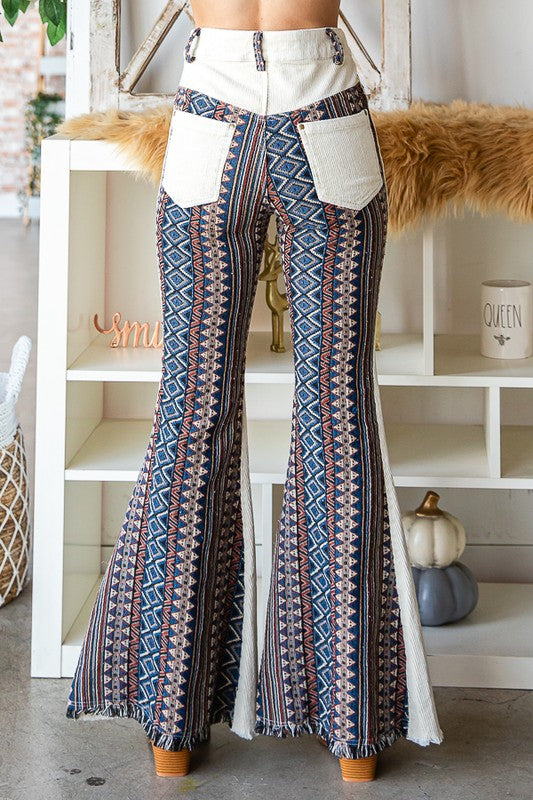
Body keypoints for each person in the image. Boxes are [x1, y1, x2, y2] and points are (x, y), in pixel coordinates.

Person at [66, 0, 444, 784]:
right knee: (336, 415)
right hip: (323, 112)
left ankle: (172, 728)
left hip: (212, 112)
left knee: (190, 413)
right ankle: (353, 735)